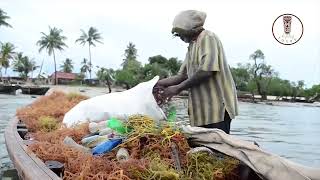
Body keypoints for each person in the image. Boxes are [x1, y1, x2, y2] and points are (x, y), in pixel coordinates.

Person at [156, 10, 238, 134]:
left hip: (217, 108)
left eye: (181, 34)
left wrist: (177, 89)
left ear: (190, 29)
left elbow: (207, 71)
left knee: (218, 145)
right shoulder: (192, 46)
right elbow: (182, 76)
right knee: (203, 148)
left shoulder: (207, 37)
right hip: (201, 110)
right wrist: (156, 84)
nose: (181, 38)